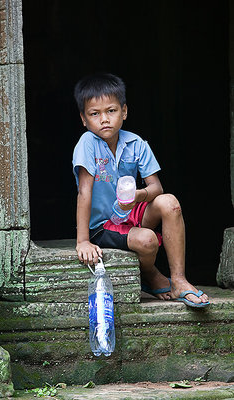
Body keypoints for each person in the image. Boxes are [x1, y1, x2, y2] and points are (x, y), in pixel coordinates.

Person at [72, 72, 209, 308]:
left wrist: (140, 195)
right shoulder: (87, 143)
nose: (104, 119)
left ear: (124, 111)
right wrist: (83, 241)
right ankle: (151, 274)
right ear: (84, 119)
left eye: (111, 111)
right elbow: (84, 192)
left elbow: (156, 187)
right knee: (147, 241)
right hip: (102, 227)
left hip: (130, 214)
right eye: (95, 114)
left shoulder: (136, 143)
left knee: (170, 202)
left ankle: (178, 280)